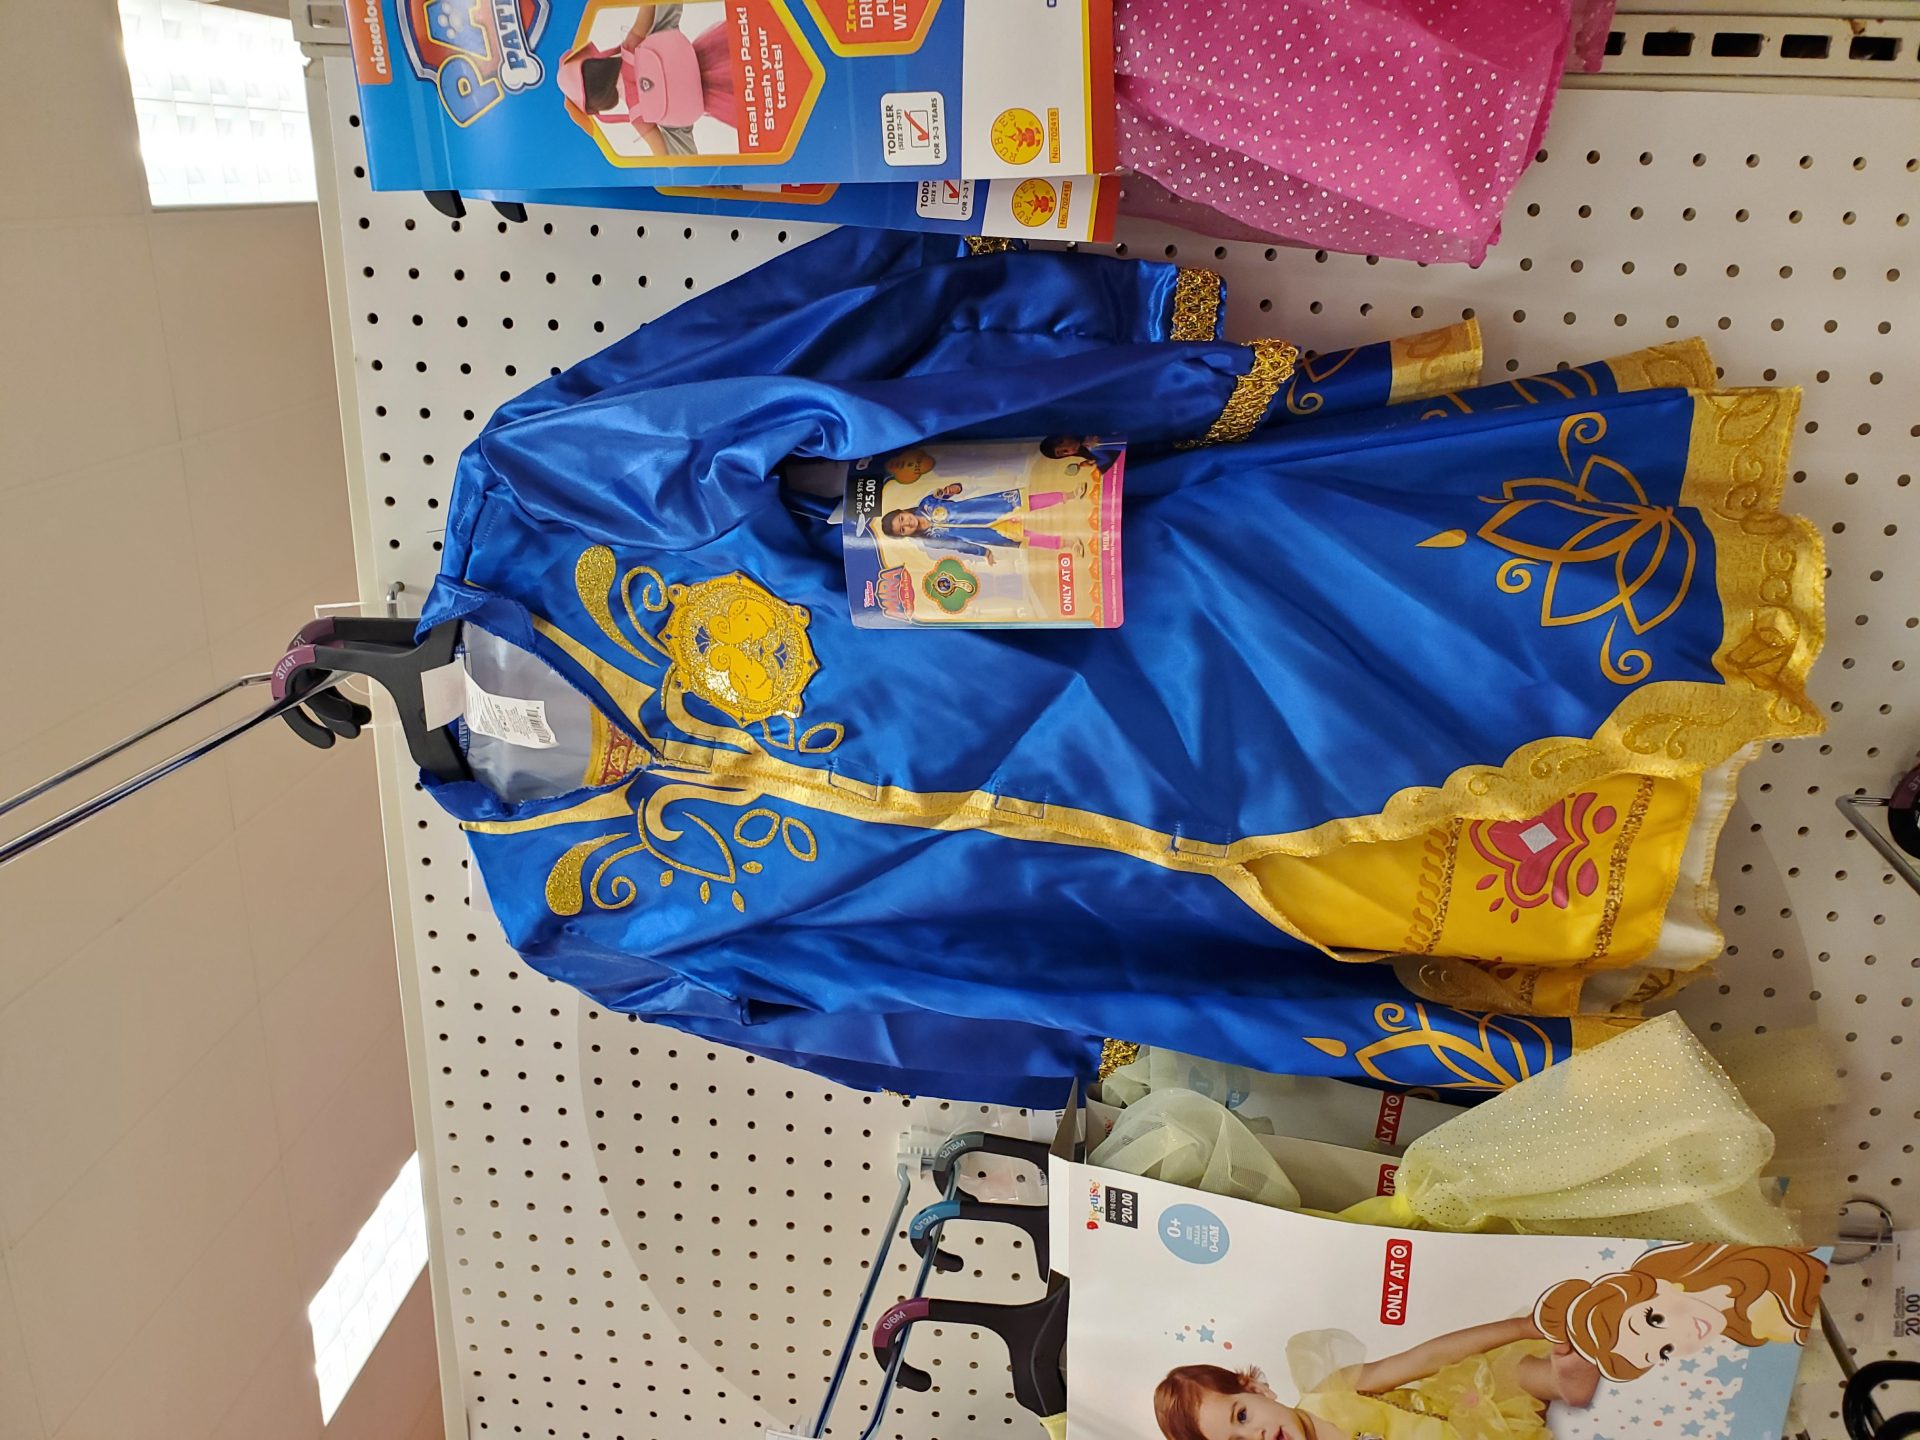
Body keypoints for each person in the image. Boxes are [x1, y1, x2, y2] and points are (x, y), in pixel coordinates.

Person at [1156, 1317, 1601, 1440]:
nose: (1255, 1436)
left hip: (1462, 1422)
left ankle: (1559, 1380)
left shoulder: (1329, 1392)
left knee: (1492, 1376)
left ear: (1256, 1389)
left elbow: (1425, 1358)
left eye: (1242, 1416)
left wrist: (1521, 1327)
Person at [1531, 1242, 1826, 1382]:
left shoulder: (1759, 1270)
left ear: (1658, 1285)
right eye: (1665, 1351)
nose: (1683, 1336)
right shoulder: (1753, 1329)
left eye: (1655, 1320)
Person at [557, 4, 738, 158]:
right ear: (598, 62)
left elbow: (662, 155)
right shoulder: (630, 48)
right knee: (661, 29)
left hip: (708, 100)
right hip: (703, 53)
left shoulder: (638, 116)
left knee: (675, 136)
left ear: (598, 105)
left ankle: (693, 174)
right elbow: (648, 9)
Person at [878, 481, 1085, 562]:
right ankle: (1068, 544)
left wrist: (952, 489)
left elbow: (951, 490)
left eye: (902, 519)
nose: (907, 524)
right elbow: (959, 545)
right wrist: (983, 552)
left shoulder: (927, 503)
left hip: (983, 509)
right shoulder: (930, 540)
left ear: (903, 511)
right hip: (983, 533)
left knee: (1027, 503)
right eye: (902, 529)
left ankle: (1069, 495)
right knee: (1027, 537)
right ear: (904, 535)